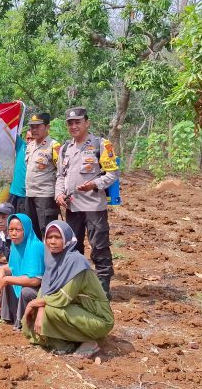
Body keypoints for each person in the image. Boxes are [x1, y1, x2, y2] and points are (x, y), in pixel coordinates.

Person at [21, 221, 113, 358]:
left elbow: (62, 298)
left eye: (57, 237)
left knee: (51, 311)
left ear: (67, 239)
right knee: (36, 316)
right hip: (78, 310)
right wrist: (38, 309)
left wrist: (33, 303)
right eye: (49, 237)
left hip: (99, 319)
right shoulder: (53, 259)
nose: (52, 241)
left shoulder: (76, 261)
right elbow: (46, 289)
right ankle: (66, 343)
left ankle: (87, 341)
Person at [54, 106, 120, 298]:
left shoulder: (100, 144)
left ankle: (103, 288)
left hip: (93, 206)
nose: (74, 126)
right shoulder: (65, 148)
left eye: (78, 122)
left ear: (87, 123)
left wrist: (94, 184)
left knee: (99, 246)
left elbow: (113, 173)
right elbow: (60, 176)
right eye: (70, 123)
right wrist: (59, 194)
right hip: (72, 207)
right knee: (72, 247)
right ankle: (77, 283)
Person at [0, 214, 43, 330]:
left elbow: (35, 280)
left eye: (18, 230)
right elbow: (13, 266)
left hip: (41, 290)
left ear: (26, 230)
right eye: (11, 230)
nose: (13, 233)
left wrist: (6, 279)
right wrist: (1, 270)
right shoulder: (16, 244)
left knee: (24, 290)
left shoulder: (35, 247)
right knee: (7, 278)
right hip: (27, 281)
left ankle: (24, 323)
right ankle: (9, 317)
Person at [25, 113, 61, 238]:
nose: (34, 130)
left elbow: (61, 171)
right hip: (30, 195)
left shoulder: (53, 146)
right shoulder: (30, 146)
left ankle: (50, 257)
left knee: (47, 231)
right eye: (32, 127)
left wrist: (60, 193)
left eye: (37, 126)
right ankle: (38, 257)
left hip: (46, 197)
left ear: (47, 127)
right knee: (32, 230)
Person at [7, 127, 29, 215]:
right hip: (14, 192)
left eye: (32, 139)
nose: (30, 141)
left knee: (22, 221)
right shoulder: (22, 146)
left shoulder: (39, 151)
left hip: (27, 195)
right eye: (28, 138)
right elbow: (10, 130)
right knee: (9, 218)